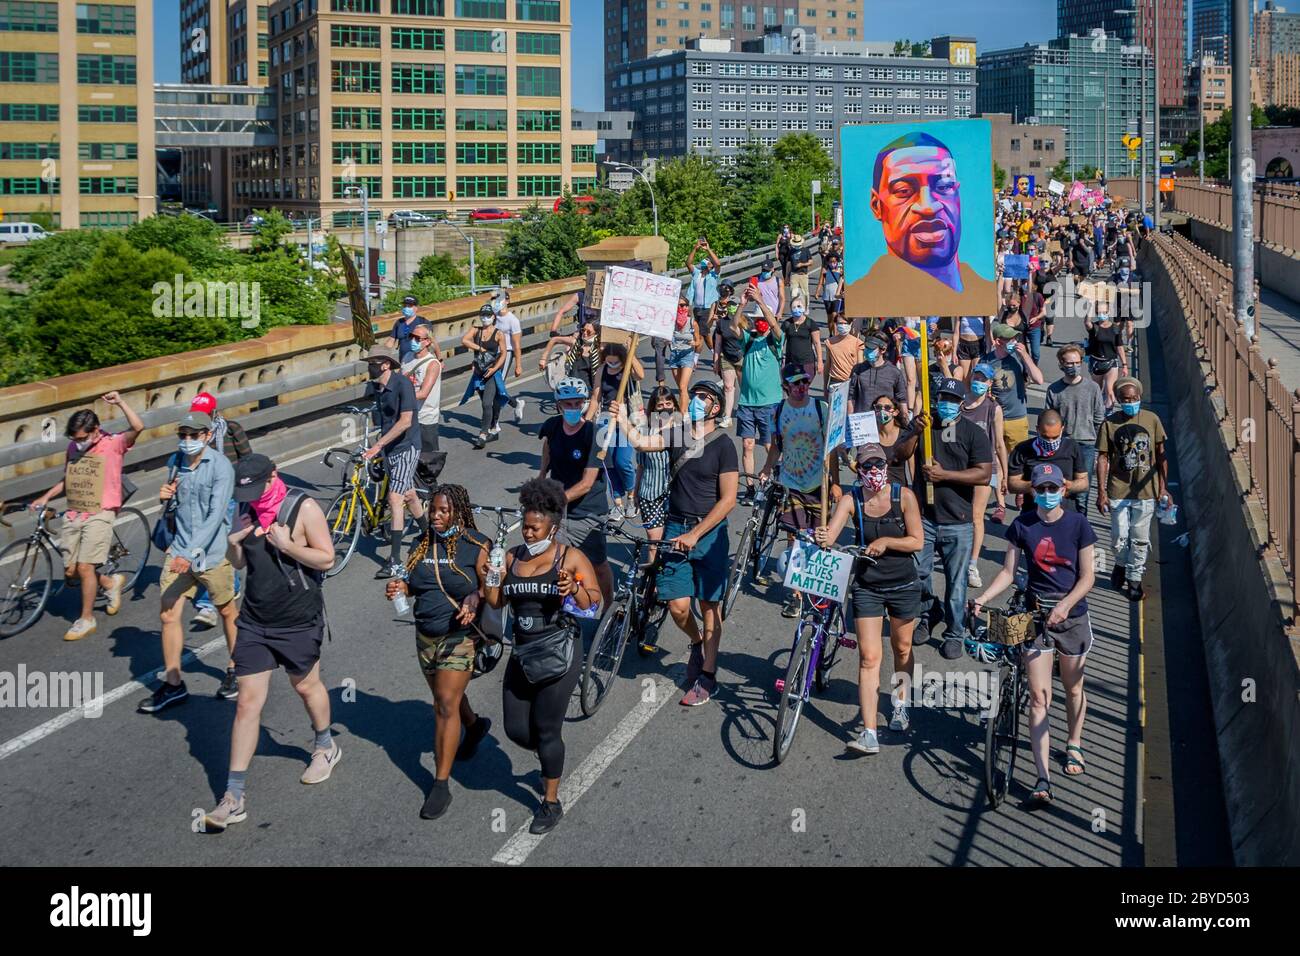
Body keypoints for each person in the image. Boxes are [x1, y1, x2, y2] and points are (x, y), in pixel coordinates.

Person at [200, 454, 338, 832]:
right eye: (246, 493)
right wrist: (233, 545)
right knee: (247, 703)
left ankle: (325, 746)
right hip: (256, 620)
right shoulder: (245, 506)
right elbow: (242, 563)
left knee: (306, 686)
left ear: (273, 477)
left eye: (258, 490)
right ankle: (233, 796)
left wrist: (288, 545)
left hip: (297, 618)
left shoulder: (302, 507)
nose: (253, 498)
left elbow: (327, 559)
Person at [972, 462, 1098, 806]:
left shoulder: (1079, 525)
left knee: (1073, 688)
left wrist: (1067, 605)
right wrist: (983, 597)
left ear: (1063, 489)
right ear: (1033, 492)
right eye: (1040, 490)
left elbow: (1088, 577)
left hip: (1072, 618)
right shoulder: (1022, 526)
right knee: (1040, 698)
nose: (1046, 495)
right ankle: (1043, 778)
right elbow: (1009, 572)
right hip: (1036, 617)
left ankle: (1073, 743)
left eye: (1051, 489)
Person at [482, 478, 600, 835]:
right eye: (526, 526)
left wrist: (574, 587)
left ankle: (550, 801)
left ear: (554, 527)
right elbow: (495, 601)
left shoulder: (570, 558)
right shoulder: (514, 555)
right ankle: (551, 755)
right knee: (516, 729)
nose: (529, 533)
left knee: (548, 730)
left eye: (536, 528)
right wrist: (493, 572)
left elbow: (594, 603)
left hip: (560, 653)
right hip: (523, 651)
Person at [617, 380, 738, 707]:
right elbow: (643, 444)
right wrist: (622, 420)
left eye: (703, 398)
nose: (696, 402)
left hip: (709, 534)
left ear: (715, 406)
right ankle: (697, 643)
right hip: (675, 526)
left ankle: (708, 674)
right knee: (677, 605)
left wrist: (697, 534)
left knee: (709, 606)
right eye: (694, 396)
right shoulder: (678, 433)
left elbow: (728, 500)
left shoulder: (724, 445)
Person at [385, 484, 493, 820]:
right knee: (449, 698)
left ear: (459, 512)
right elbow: (413, 581)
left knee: (444, 704)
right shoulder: (421, 544)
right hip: (425, 635)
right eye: (433, 510)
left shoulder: (476, 545)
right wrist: (400, 586)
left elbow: (491, 587)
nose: (437, 516)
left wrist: (476, 598)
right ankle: (474, 726)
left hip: (459, 636)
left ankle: (440, 783)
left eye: (445, 510)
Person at [818, 443, 924, 753]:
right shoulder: (851, 500)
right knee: (868, 657)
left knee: (902, 648)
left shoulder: (902, 496)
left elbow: (917, 541)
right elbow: (832, 535)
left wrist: (887, 541)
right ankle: (869, 733)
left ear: (886, 466)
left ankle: (900, 702)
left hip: (903, 584)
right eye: (867, 466)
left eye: (878, 464)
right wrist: (823, 536)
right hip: (867, 586)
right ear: (858, 470)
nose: (873, 471)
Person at [139, 411, 240, 713]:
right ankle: (173, 685)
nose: (186, 441)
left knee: (226, 611)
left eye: (193, 435)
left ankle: (236, 669)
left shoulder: (221, 467)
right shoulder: (175, 463)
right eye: (182, 435)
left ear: (207, 436)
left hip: (210, 553)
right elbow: (174, 507)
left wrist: (190, 553)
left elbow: (215, 516)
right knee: (168, 614)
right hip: (179, 549)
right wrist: (164, 497)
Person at [843, 131, 999, 315]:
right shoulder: (865, 297)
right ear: (877, 205)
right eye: (904, 191)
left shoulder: (983, 293)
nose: (928, 207)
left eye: (943, 187)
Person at [29, 392, 143, 641]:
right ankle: (111, 584)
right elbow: (69, 478)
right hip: (76, 511)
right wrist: (46, 496)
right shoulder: (73, 448)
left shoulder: (114, 443)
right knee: (71, 571)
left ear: (95, 431)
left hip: (101, 511)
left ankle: (86, 618)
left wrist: (121, 402)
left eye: (81, 438)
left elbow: (138, 427)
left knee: (85, 566)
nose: (77, 442)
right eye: (74, 438)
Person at [895, 378, 992, 659]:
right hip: (923, 517)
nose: (945, 404)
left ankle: (954, 631)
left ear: (961, 403)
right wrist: (914, 431)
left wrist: (945, 475)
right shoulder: (924, 426)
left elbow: (983, 474)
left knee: (956, 583)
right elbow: (899, 456)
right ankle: (928, 613)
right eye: (941, 398)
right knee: (918, 573)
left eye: (951, 399)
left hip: (958, 520)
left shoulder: (973, 433)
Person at [761, 364, 831, 618]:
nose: (802, 387)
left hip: (818, 485)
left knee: (819, 538)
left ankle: (817, 591)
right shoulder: (778, 411)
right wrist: (766, 469)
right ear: (786, 387)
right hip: (791, 485)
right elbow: (775, 447)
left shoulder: (821, 409)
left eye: (805, 382)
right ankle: (796, 595)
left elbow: (831, 446)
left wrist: (833, 482)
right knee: (794, 540)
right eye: (796, 383)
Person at [538, 377, 614, 607]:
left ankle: (610, 607)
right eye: (567, 404)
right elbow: (548, 448)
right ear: (558, 405)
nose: (572, 409)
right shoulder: (552, 426)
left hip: (588, 513)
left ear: (583, 404)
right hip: (560, 513)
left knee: (598, 566)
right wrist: (541, 479)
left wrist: (553, 500)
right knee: (556, 564)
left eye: (577, 404)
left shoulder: (594, 435)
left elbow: (587, 483)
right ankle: (563, 609)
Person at [1096, 377, 1171, 602]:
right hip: (1118, 488)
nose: (1131, 402)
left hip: (1146, 490)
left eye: (1134, 398)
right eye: (1126, 399)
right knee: (1119, 535)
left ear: (1140, 396)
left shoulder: (1152, 419)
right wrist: (1101, 491)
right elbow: (1103, 458)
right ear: (1118, 399)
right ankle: (1120, 563)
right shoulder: (1109, 424)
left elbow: (1160, 455)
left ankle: (1134, 578)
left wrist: (1163, 487)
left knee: (1139, 537)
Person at [362, 346, 426, 580]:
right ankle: (429, 533)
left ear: (386, 364)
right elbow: (384, 422)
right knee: (409, 494)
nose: (370, 366)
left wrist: (378, 446)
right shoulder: (378, 388)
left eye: (373, 362)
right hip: (391, 448)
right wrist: (378, 444)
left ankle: (395, 560)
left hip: (407, 446)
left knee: (395, 498)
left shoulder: (402, 384)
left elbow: (405, 421)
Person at [188, 391, 251, 631]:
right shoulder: (191, 435)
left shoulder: (232, 429)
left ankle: (207, 603)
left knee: (222, 546)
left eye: (204, 415)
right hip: (201, 499)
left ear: (214, 413)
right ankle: (229, 587)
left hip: (230, 497)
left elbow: (247, 459)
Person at [960, 363, 1008, 587]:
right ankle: (957, 557)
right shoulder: (959, 403)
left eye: (984, 378)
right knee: (957, 515)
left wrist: (1004, 477)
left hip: (983, 469)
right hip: (958, 466)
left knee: (976, 516)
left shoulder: (993, 409)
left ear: (990, 383)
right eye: (976, 376)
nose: (979, 381)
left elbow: (999, 444)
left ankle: (972, 563)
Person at [734, 289, 784, 501]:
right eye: (757, 320)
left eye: (762, 319)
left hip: (769, 403)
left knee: (770, 446)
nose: (760, 322)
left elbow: (775, 326)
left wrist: (762, 302)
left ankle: (775, 481)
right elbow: (733, 326)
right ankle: (751, 487)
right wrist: (742, 305)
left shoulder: (775, 342)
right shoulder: (749, 340)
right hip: (747, 402)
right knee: (747, 445)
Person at [1046, 345, 1107, 514]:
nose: (1074, 366)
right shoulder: (1054, 390)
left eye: (1077, 362)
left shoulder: (1092, 388)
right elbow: (1049, 420)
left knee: (1082, 493)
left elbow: (1099, 418)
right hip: (1062, 446)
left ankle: (1080, 526)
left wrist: (1095, 443)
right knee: (1061, 487)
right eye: (1069, 363)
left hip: (1086, 445)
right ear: (1061, 364)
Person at [590, 342, 645, 520]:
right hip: (606, 418)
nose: (612, 365)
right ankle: (617, 502)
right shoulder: (601, 371)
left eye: (616, 363)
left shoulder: (628, 367)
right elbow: (595, 398)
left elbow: (641, 375)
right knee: (609, 462)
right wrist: (586, 421)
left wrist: (631, 353)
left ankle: (631, 496)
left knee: (622, 461)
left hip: (627, 419)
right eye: (609, 362)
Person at [1006, 409, 1088, 512]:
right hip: (1033, 512)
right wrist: (1035, 485)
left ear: (1062, 429)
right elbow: (1012, 484)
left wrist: (1068, 485)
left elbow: (1084, 482)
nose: (1050, 441)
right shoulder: (1022, 450)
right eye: (1045, 437)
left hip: (1065, 512)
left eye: (1055, 437)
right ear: (1037, 429)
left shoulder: (1072, 448)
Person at [983, 322, 1044, 456]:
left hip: (1017, 418)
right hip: (995, 419)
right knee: (996, 461)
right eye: (1010, 339)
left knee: (1018, 460)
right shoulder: (986, 361)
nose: (1014, 341)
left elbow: (1039, 380)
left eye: (1015, 338)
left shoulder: (1018, 357)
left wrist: (1025, 356)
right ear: (998, 341)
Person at [635, 386, 677, 564]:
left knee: (672, 541)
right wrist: (635, 493)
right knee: (654, 541)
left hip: (675, 495)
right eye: (660, 405)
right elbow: (641, 466)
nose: (665, 407)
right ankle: (652, 583)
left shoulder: (682, 430)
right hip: (650, 494)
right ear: (653, 408)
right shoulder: (645, 431)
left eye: (668, 403)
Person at [460, 304, 511, 449]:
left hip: (492, 373)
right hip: (479, 373)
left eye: (488, 315)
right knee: (490, 402)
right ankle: (494, 426)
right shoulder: (475, 330)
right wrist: (479, 348)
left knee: (486, 403)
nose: (485, 318)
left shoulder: (498, 333)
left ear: (493, 317)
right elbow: (464, 340)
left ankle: (483, 434)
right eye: (482, 315)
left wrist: (495, 369)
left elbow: (504, 353)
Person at [402, 324, 445, 486]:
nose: (413, 341)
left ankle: (432, 497)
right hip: (408, 418)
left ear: (427, 341)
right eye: (411, 337)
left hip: (425, 420)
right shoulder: (407, 357)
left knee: (427, 467)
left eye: (417, 338)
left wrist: (401, 396)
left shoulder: (432, 364)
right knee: (405, 461)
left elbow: (423, 393)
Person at [846, 330, 909, 420]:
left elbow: (902, 400)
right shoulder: (857, 370)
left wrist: (905, 423)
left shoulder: (895, 373)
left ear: (883, 349)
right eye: (866, 348)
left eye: (871, 348)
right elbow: (851, 397)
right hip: (863, 424)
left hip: (886, 424)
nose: (867, 351)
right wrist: (850, 421)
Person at [539, 310, 601, 393]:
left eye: (589, 332)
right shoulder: (576, 343)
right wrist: (543, 359)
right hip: (570, 388)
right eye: (583, 330)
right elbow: (554, 339)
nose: (585, 334)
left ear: (596, 334)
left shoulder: (599, 348)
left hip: (587, 392)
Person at [711, 286, 745, 428]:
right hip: (726, 357)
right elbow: (718, 343)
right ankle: (727, 416)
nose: (731, 308)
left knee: (744, 386)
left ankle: (746, 410)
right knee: (728, 387)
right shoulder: (721, 323)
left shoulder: (745, 321)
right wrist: (716, 361)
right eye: (729, 305)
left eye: (734, 305)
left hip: (741, 357)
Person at [1085, 298, 1127, 409]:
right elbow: (1087, 322)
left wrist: (1125, 365)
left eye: (1104, 312)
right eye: (1099, 312)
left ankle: (1108, 413)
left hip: (1111, 362)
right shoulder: (1095, 327)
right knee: (1097, 390)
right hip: (1096, 362)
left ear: (1109, 312)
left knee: (1110, 390)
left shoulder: (1115, 328)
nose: (1102, 315)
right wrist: (1090, 306)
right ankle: (1097, 410)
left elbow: (1120, 346)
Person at [666, 293, 704, 414]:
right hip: (674, 355)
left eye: (684, 305)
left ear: (688, 307)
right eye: (679, 306)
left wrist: (695, 342)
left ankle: (682, 415)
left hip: (687, 355)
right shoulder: (670, 322)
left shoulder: (692, 322)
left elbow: (699, 341)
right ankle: (687, 407)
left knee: (682, 387)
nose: (682, 308)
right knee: (682, 388)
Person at [491, 294, 527, 424]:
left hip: (507, 353)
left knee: (497, 386)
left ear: (507, 301)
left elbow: (517, 345)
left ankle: (494, 422)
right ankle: (515, 403)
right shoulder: (493, 316)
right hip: (493, 353)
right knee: (490, 387)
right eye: (495, 300)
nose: (497, 302)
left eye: (501, 300)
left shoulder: (513, 320)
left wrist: (518, 365)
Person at [687, 238, 721, 345]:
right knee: (703, 333)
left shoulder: (713, 275)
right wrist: (695, 249)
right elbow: (688, 263)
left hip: (708, 308)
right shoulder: (697, 274)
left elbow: (718, 264)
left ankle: (697, 358)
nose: (706, 261)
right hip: (697, 308)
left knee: (702, 333)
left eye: (708, 261)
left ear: (710, 265)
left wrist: (708, 249)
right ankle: (714, 352)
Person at [780, 299, 823, 383]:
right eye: (794, 307)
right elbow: (781, 342)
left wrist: (820, 361)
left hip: (807, 363)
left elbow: (817, 343)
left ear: (804, 308)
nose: (796, 309)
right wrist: (780, 358)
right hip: (791, 363)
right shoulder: (787, 324)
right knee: (792, 389)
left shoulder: (811, 324)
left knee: (803, 388)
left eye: (799, 306)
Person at [823, 313, 863, 397]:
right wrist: (825, 385)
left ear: (851, 324)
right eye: (840, 323)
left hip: (851, 382)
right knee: (835, 410)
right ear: (836, 324)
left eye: (846, 323)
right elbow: (827, 365)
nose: (843, 326)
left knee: (850, 409)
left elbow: (860, 367)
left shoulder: (857, 343)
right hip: (835, 382)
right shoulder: (829, 342)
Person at [388, 295, 432, 362]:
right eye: (405, 306)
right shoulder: (399, 322)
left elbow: (432, 341)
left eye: (410, 306)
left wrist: (440, 359)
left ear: (416, 308)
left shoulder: (423, 322)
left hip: (419, 359)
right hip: (404, 360)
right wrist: (381, 352)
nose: (406, 308)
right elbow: (391, 340)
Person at [787, 233, 814, 308]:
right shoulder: (791, 251)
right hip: (794, 274)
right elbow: (789, 264)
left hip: (803, 274)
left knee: (805, 293)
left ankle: (806, 307)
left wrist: (802, 264)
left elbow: (811, 262)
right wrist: (787, 276)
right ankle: (794, 307)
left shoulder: (806, 250)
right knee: (793, 293)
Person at [815, 251, 844, 318]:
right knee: (830, 318)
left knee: (834, 315)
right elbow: (820, 282)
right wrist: (817, 292)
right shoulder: (825, 271)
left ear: (837, 261)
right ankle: (831, 328)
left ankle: (835, 328)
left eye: (834, 262)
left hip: (837, 297)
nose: (832, 263)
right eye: (830, 262)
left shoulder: (840, 271)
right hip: (827, 296)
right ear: (828, 262)